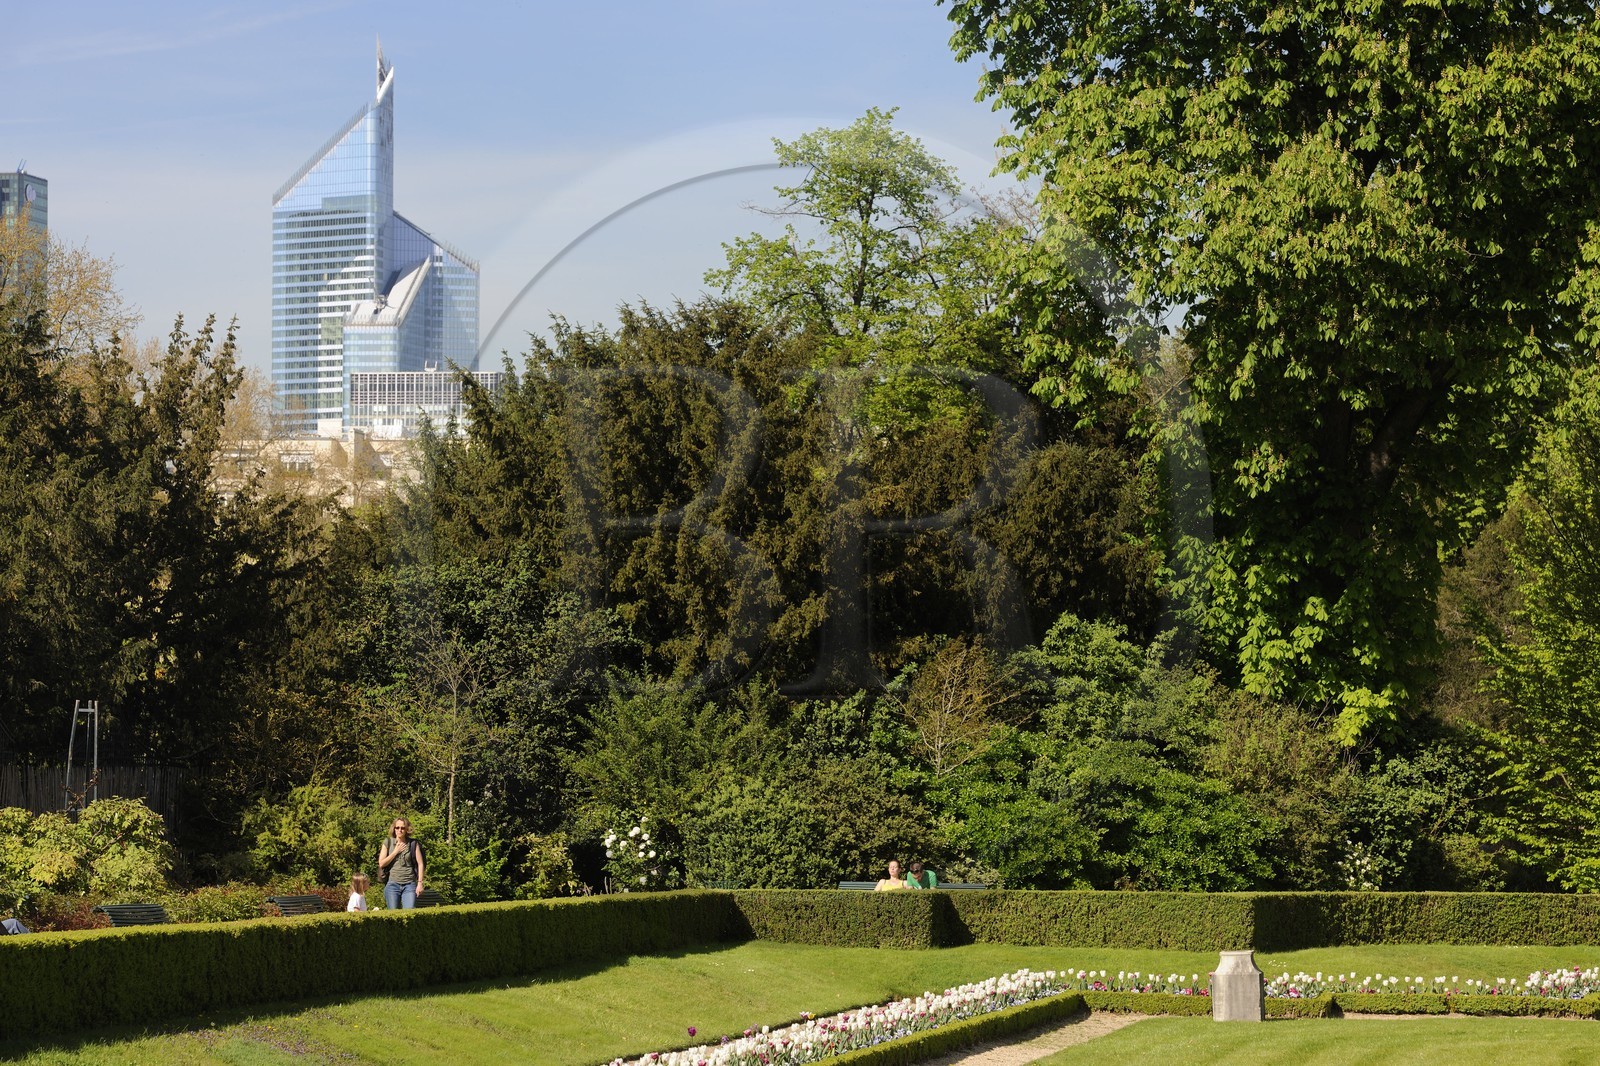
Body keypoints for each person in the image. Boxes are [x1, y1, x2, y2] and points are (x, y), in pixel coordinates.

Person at [378, 817, 425, 909]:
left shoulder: (413, 843)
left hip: (409, 884)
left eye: (402, 828)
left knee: (409, 912)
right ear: (394, 828)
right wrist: (395, 851)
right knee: (394, 915)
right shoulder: (388, 842)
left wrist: (420, 883)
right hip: (392, 884)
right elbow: (381, 863)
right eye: (397, 827)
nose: (400, 830)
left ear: (407, 829)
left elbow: (420, 864)